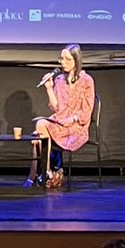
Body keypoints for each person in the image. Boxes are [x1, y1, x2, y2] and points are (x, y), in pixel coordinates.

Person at [25, 43, 96, 188]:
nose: (63, 62)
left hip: (76, 127)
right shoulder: (59, 80)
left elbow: (87, 112)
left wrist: (74, 118)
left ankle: (37, 176)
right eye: (61, 59)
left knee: (39, 134)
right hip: (60, 123)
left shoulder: (87, 80)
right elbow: (56, 108)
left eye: (66, 59)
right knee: (38, 131)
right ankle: (46, 173)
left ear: (76, 61)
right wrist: (49, 89)